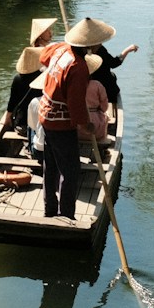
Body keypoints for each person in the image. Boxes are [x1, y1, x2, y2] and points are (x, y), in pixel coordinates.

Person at [38, 16, 112, 220]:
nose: (100, 45)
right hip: (59, 122)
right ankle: (66, 215)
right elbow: (76, 103)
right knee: (70, 170)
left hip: (45, 114)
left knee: (51, 165)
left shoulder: (60, 48)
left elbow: (43, 57)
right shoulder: (78, 67)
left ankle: (49, 210)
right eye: (98, 43)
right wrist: (85, 124)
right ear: (89, 45)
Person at [2, 46, 44, 141]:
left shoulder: (17, 78)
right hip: (39, 125)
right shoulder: (42, 77)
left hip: (21, 125)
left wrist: (7, 120)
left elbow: (12, 102)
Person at [87, 39, 139, 110]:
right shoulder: (100, 50)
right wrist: (128, 50)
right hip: (106, 87)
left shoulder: (82, 51)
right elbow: (114, 63)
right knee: (112, 78)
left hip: (89, 83)